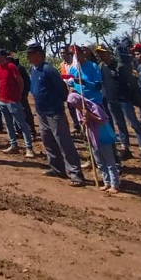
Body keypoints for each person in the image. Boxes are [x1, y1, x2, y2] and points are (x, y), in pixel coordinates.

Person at [26, 44, 84, 187]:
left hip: (54, 111)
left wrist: (58, 103)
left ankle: (75, 173)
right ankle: (57, 168)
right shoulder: (33, 69)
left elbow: (62, 90)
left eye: (31, 53)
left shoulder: (48, 69)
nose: (28, 57)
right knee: (48, 140)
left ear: (39, 54)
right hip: (41, 111)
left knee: (63, 142)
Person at [95, 45, 141, 164]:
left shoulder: (120, 67)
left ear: (109, 53)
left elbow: (132, 83)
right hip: (111, 101)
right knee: (120, 125)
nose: (101, 55)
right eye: (99, 53)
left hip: (124, 100)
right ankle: (125, 147)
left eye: (103, 53)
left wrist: (133, 98)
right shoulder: (100, 67)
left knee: (134, 124)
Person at [67, 92, 121, 194]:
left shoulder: (93, 107)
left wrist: (90, 115)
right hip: (92, 138)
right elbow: (83, 124)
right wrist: (84, 120)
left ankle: (115, 184)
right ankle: (107, 182)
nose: (74, 106)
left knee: (109, 162)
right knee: (100, 162)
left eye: (74, 104)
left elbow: (102, 120)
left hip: (103, 137)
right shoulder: (79, 111)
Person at [0, 49, 35, 158]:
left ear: (3, 56)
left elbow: (20, 81)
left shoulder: (11, 66)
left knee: (22, 124)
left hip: (13, 101)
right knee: (8, 124)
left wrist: (19, 95)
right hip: (2, 100)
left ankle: (29, 148)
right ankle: (13, 145)